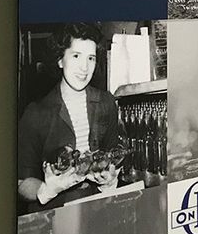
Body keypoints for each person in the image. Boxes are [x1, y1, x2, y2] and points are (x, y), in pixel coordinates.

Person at [17, 23, 122, 215]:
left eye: (91, 58)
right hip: (53, 216)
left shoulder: (106, 102)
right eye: (76, 56)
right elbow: (21, 183)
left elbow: (112, 156)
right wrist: (46, 190)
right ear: (60, 60)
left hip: (99, 207)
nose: (84, 67)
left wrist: (110, 179)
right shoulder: (36, 113)